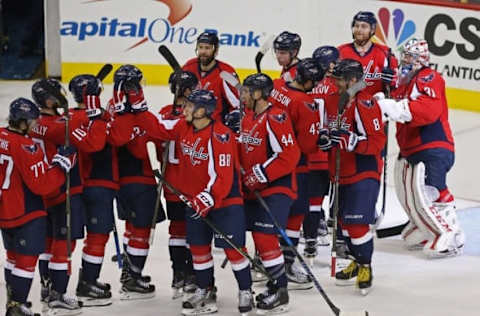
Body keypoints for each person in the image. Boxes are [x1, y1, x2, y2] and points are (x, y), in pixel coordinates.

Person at [138, 89, 253, 315]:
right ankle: (205, 288)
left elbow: (223, 175)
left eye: (190, 106)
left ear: (202, 111)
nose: (185, 109)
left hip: (224, 203)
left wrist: (207, 197)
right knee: (199, 250)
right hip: (196, 202)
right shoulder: (183, 126)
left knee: (234, 251)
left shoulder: (221, 135)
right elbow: (158, 128)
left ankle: (246, 290)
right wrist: (137, 104)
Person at [375, 38, 464, 258]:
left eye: (409, 56)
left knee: (429, 192)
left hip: (432, 145)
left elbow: (427, 111)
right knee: (409, 193)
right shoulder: (404, 82)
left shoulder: (429, 77)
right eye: (403, 54)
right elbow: (390, 106)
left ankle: (449, 232)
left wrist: (394, 106)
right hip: (412, 148)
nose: (404, 60)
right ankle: (423, 224)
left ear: (421, 59)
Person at [1, 97, 75, 316]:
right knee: (26, 259)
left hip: (5, 209)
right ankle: (17, 306)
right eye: (32, 121)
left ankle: (12, 301)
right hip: (25, 210)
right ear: (23, 122)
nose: (35, 124)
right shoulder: (25, 146)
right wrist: (62, 165)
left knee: (12, 256)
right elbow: (42, 184)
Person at [318, 59, 386, 295]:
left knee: (356, 223)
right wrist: (327, 138)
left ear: (352, 80)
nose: (335, 83)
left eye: (339, 79)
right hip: (341, 173)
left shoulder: (365, 103)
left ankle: (366, 265)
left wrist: (349, 140)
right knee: (344, 224)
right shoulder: (338, 100)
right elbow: (333, 130)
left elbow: (377, 142)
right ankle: (357, 261)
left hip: (363, 172)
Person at [238, 73, 300, 313]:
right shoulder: (248, 118)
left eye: (246, 91)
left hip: (277, 187)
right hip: (255, 188)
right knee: (259, 237)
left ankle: (281, 290)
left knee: (265, 237)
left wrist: (259, 173)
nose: (242, 95)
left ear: (258, 94)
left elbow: (289, 155)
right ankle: (276, 285)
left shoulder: (276, 117)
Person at [30, 79, 88, 315]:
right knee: (64, 244)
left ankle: (47, 288)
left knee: (47, 242)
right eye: (58, 94)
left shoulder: (33, 124)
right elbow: (80, 132)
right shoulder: (60, 126)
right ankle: (58, 294)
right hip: (65, 189)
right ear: (49, 99)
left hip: (43, 191)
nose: (62, 97)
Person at [107, 64, 163, 299]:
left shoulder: (113, 108)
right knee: (141, 228)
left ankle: (131, 270)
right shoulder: (128, 113)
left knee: (133, 226)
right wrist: (141, 114)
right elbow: (142, 146)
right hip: (138, 179)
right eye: (135, 84)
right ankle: (133, 276)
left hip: (123, 180)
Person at [269, 58, 324, 289]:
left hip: (268, 158)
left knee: (269, 215)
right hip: (295, 165)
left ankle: (266, 261)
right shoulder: (306, 104)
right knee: (296, 213)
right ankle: (287, 263)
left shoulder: (276, 86)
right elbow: (308, 145)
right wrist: (322, 139)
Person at [66, 74, 115, 307]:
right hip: (98, 184)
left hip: (74, 186)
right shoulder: (98, 119)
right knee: (97, 236)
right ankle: (87, 282)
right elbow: (98, 144)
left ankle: (55, 286)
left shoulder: (67, 118)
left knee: (67, 239)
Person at [159, 71, 199, 299]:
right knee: (195, 230)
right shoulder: (198, 114)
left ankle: (178, 273)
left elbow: (157, 144)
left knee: (176, 229)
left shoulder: (165, 112)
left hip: (171, 182)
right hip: (193, 182)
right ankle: (192, 274)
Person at [302, 45, 340, 259]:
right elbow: (336, 119)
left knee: (303, 200)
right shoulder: (336, 87)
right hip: (324, 154)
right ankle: (317, 235)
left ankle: (308, 238)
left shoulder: (305, 83)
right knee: (317, 201)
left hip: (304, 151)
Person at [182, 31, 241, 130]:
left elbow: (239, 105)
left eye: (207, 48)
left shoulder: (226, 73)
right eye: (200, 47)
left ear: (216, 50)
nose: (203, 52)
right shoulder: (189, 66)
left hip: (214, 129)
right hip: (189, 126)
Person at [338, 11, 398, 96]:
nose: (359, 29)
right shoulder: (341, 51)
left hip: (375, 105)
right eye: (356, 26)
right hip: (347, 104)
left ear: (372, 29)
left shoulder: (385, 53)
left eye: (364, 26)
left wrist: (392, 82)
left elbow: (396, 84)